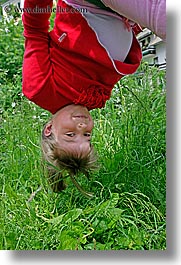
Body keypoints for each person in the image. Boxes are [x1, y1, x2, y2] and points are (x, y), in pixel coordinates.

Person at [22, 0, 166, 194]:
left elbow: (35, 30)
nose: (82, 127)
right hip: (120, 14)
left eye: (71, 135)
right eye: (87, 136)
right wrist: (136, 23)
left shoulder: (41, 90)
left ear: (49, 129)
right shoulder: (95, 100)